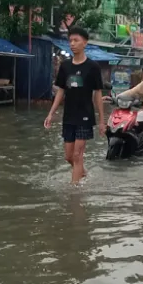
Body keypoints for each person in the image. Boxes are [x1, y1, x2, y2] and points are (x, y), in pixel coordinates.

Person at [44, 27, 106, 184]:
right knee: (68, 157)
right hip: (69, 115)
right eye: (70, 41)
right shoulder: (65, 66)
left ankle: (74, 193)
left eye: (76, 40)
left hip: (85, 115)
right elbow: (60, 91)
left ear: (85, 43)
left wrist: (101, 120)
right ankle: (82, 173)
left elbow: (98, 94)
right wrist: (51, 113)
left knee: (78, 155)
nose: (72, 44)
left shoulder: (93, 67)